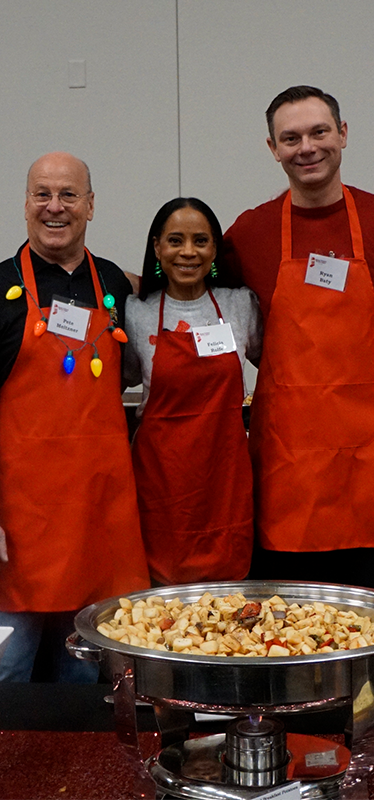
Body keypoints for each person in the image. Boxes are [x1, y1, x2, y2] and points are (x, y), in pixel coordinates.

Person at [223, 86, 374, 593]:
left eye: (319, 132)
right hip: (289, 467)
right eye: (290, 138)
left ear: (343, 134)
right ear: (272, 149)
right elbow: (196, 294)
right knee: (291, 631)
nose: (307, 147)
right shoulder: (249, 232)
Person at [0, 152, 149, 682]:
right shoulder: (1, 291)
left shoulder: (117, 286)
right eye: (42, 193)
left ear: (90, 205)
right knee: (8, 675)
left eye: (68, 195)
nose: (54, 207)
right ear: (25, 204)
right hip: (19, 526)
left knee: (88, 685)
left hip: (97, 521)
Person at [125, 198, 262, 585]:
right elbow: (121, 380)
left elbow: (278, 369)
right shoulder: (136, 312)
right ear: (157, 248)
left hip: (225, 483)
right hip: (161, 487)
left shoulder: (241, 307)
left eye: (200, 240)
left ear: (215, 249)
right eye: (175, 240)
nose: (188, 252)